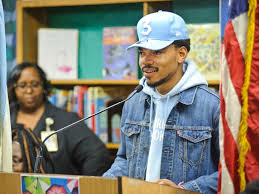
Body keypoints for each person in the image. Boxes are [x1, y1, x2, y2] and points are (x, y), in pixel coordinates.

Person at [103, 10, 220, 194]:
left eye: (157, 52)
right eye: (142, 53)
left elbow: (231, 174)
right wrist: (102, 184)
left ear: (181, 54)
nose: (145, 61)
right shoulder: (134, 101)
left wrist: (184, 190)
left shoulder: (213, 106)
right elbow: (125, 159)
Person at [8, 62, 111, 175]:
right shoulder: (5, 121)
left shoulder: (66, 120)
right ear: (13, 88)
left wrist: (84, 186)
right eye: (22, 86)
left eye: (35, 84)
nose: (29, 91)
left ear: (43, 86)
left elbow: (98, 154)